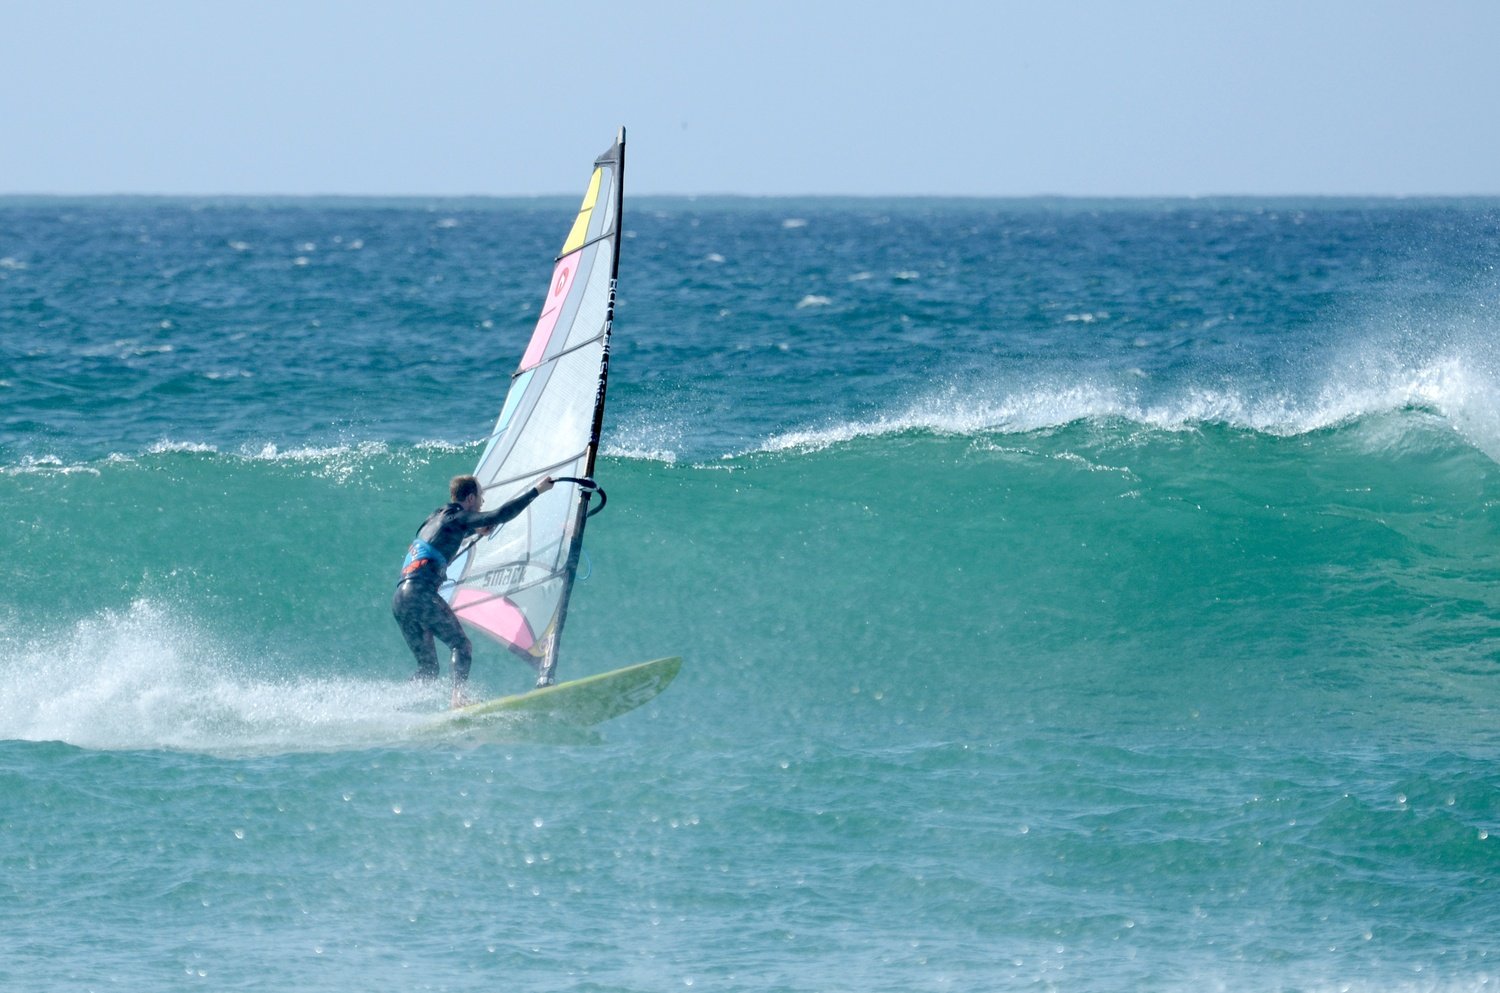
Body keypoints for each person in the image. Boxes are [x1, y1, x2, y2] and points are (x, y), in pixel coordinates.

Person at [393, 473, 553, 706]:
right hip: (421, 593)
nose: (482, 503)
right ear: (469, 498)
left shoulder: (435, 518)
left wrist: (474, 530)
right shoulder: (457, 518)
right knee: (461, 645)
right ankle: (458, 698)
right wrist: (537, 491)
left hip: (400, 598)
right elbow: (499, 515)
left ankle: (393, 703)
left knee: (428, 669)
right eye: (480, 498)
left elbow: (447, 535)